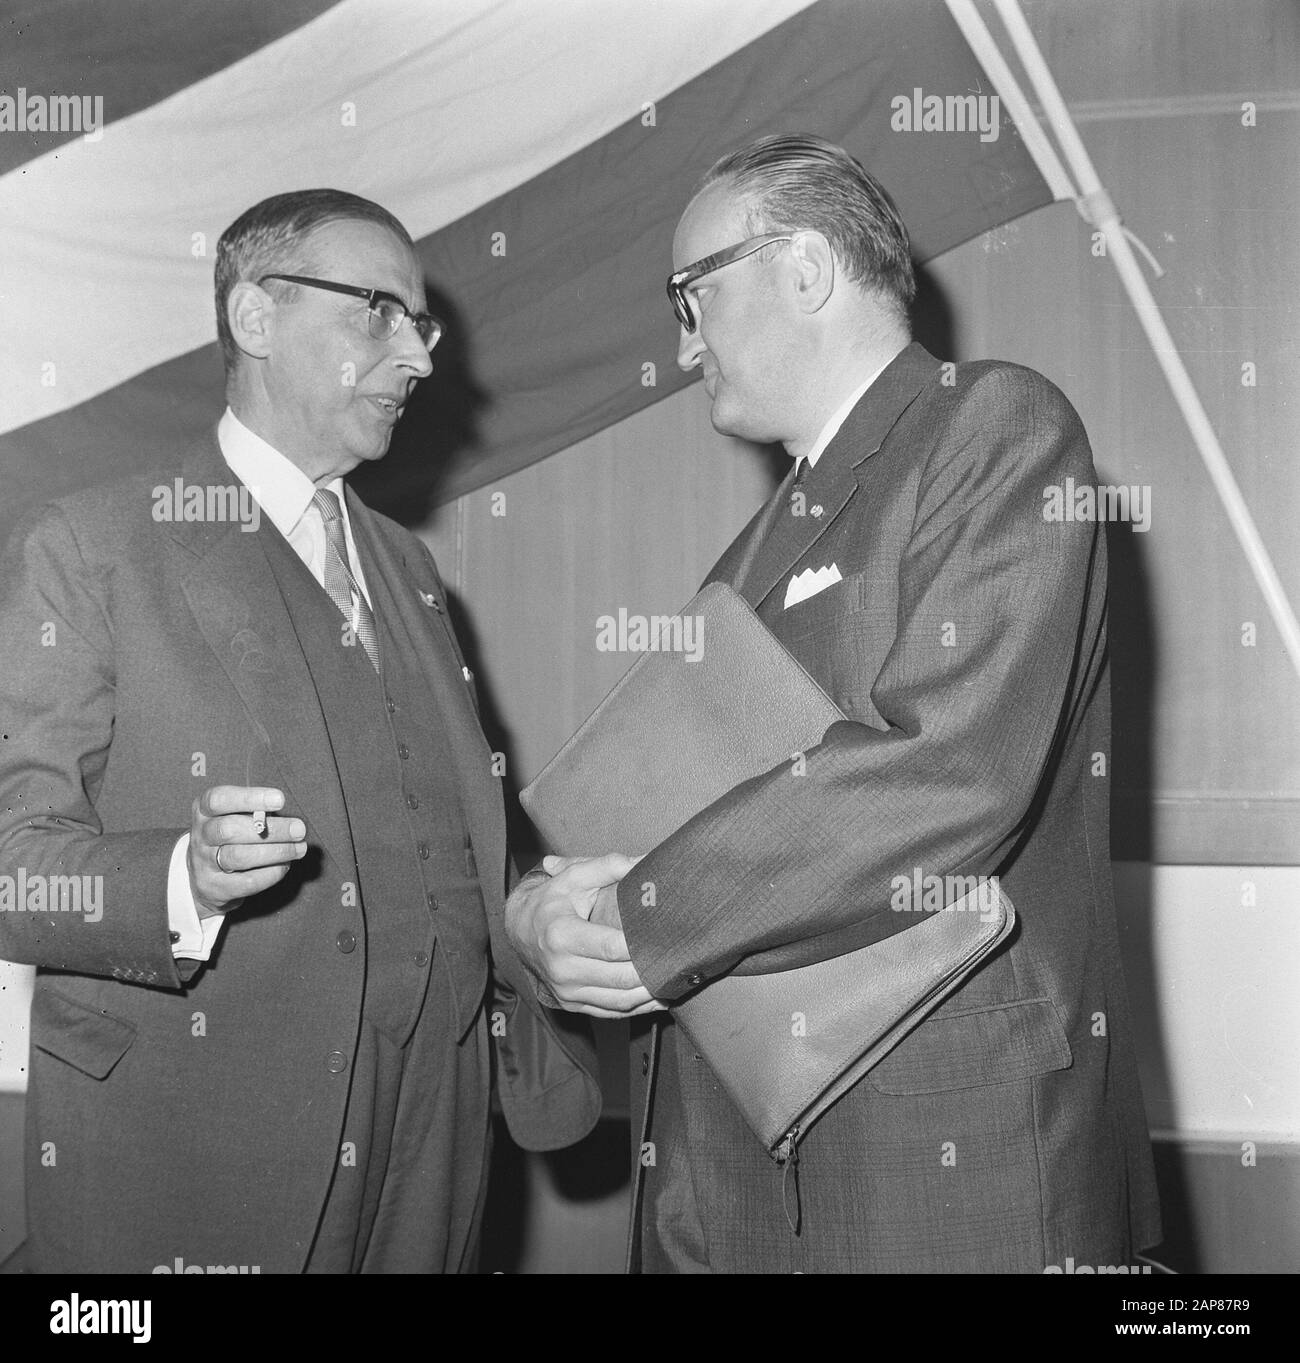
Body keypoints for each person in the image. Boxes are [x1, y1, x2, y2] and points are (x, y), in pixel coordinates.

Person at [507, 134, 1161, 1273]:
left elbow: (950, 768)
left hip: (940, 1152)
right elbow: (678, 820)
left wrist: (646, 916)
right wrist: (542, 917)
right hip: (729, 1163)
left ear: (802, 267)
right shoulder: (746, 554)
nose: (681, 342)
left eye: (691, 294)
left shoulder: (993, 427)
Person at [0, 189, 599, 1273]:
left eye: (422, 326)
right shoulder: (89, 546)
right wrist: (185, 878)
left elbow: (453, 847)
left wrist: (545, 911)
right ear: (255, 318)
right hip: (188, 1163)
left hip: (438, 1145)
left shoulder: (410, 573)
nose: (416, 357)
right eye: (379, 311)